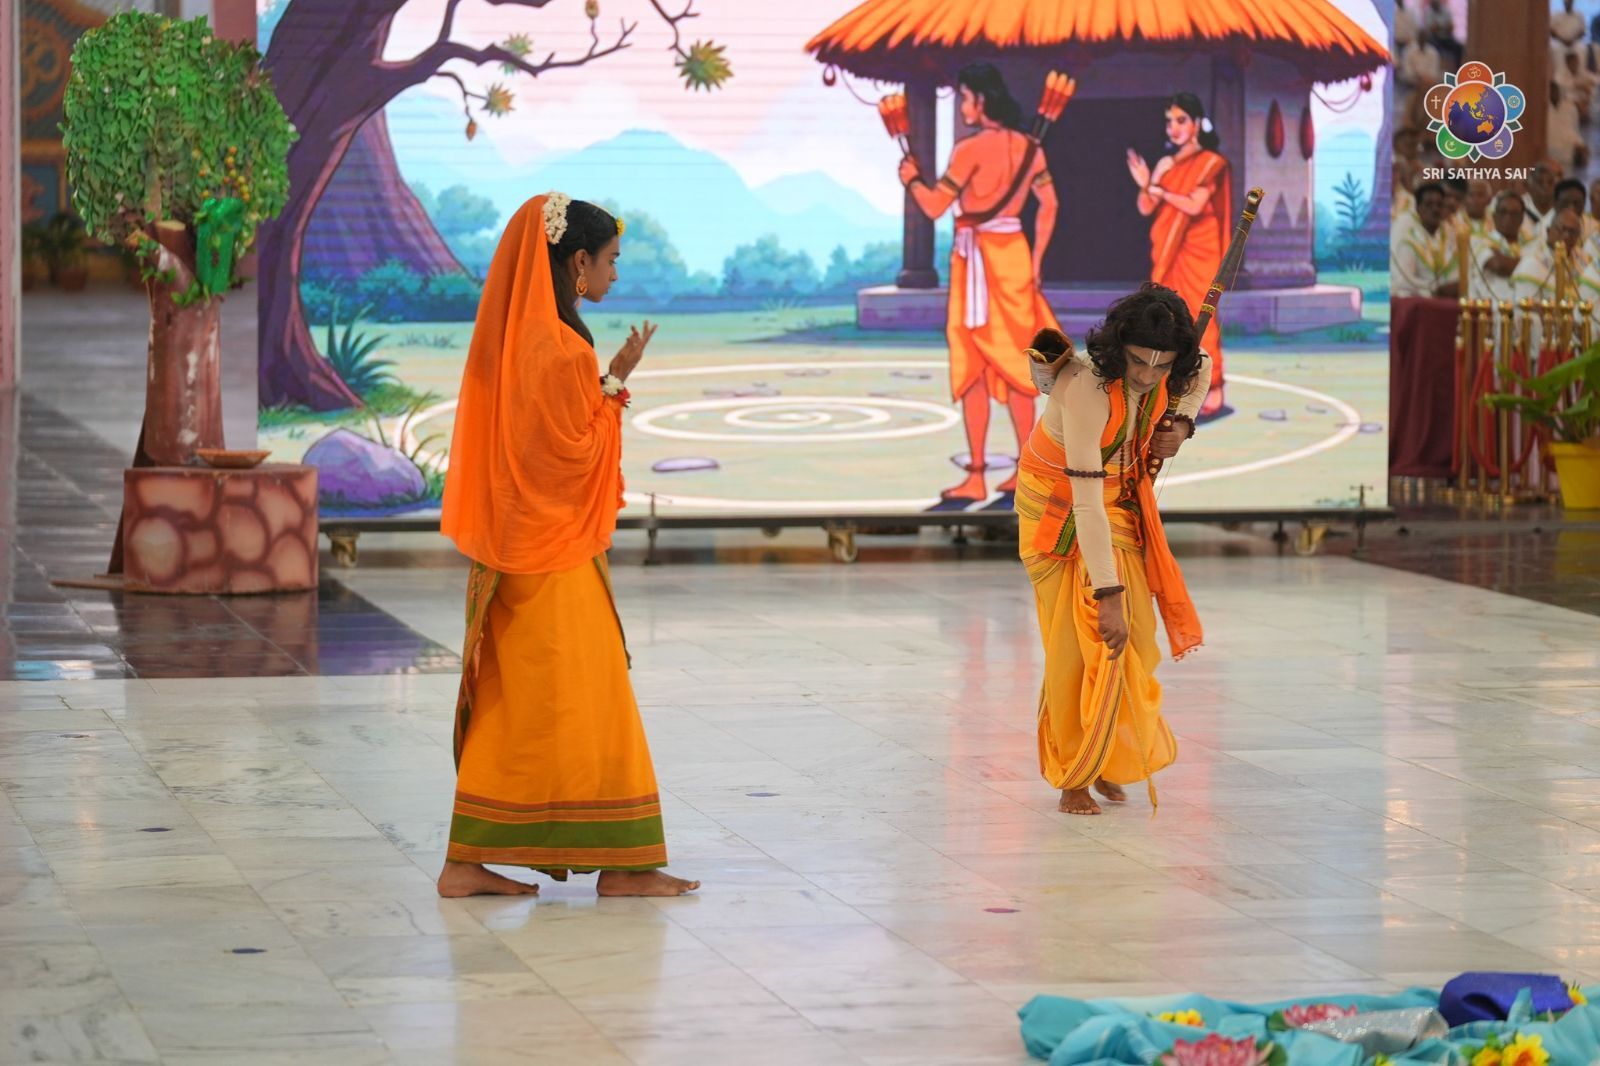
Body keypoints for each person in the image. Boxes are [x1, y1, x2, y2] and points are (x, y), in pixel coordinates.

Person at [435, 192, 699, 899]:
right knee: (597, 695)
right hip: (553, 555)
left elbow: (542, 441)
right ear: (577, 262)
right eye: (610, 260)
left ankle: (468, 861)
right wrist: (614, 385)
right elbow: (575, 453)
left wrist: (609, 378)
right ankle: (623, 865)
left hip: (514, 551)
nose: (615, 273)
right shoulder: (561, 347)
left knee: (514, 702)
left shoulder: (522, 340)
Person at [1016, 285, 1207, 816]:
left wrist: (1182, 424)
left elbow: (1202, 370)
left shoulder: (1175, 368)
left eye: (1162, 365)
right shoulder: (1086, 387)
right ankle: (1074, 774)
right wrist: (1107, 594)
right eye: (1139, 361)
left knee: (1136, 640)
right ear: (1118, 346)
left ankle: (1105, 753)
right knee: (1078, 644)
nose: (1148, 375)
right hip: (1057, 506)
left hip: (1116, 500)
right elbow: (1084, 501)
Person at [900, 63, 1060, 508]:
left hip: (976, 261)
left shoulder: (969, 150)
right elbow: (1049, 204)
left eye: (966, 97)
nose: (963, 106)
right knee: (1018, 367)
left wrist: (912, 179)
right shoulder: (1030, 148)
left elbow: (935, 206)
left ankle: (975, 476)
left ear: (982, 100)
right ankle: (1027, 469)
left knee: (974, 367)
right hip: (1015, 257)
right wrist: (1038, 261)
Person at [1126, 92, 1232, 419]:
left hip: (1199, 249)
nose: (1173, 128)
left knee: (1201, 316)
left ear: (1197, 123)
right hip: (1169, 250)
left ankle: (1213, 388)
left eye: (1181, 120)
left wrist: (1157, 188)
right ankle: (1172, 387)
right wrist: (1145, 183)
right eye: (1169, 121)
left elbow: (1195, 205)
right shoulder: (1166, 164)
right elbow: (1146, 207)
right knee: (1168, 318)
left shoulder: (1211, 162)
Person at [1391, 182, 1460, 298]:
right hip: (1414, 300)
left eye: (1439, 205)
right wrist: (1435, 290)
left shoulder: (1448, 232)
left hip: (1443, 299)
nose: (1435, 209)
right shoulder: (1406, 232)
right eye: (1429, 204)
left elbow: (1455, 273)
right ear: (1418, 208)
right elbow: (1402, 281)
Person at [1469, 192, 1538, 306]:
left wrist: (1505, 259)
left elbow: (1539, 269)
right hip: (1490, 308)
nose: (1508, 218)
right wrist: (1530, 265)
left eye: (1514, 214)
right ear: (1494, 216)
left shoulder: (1532, 243)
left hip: (1525, 307)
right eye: (1503, 212)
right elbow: (1500, 266)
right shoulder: (1480, 241)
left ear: (1522, 218)